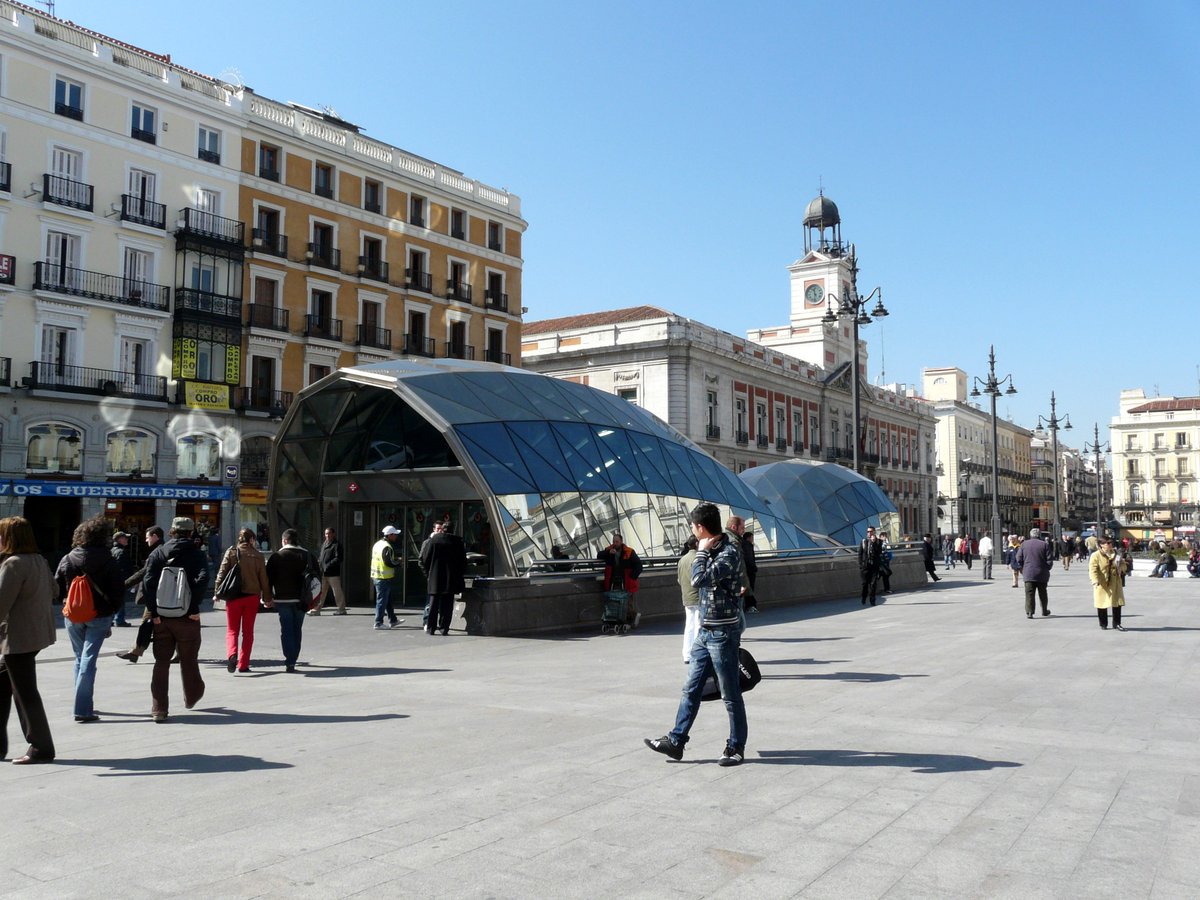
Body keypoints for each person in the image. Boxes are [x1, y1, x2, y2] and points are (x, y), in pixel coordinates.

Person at [645, 502, 746, 766]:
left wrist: (700, 553)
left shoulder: (729, 552)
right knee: (691, 687)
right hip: (705, 631)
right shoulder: (714, 549)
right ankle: (676, 741)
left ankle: (736, 747)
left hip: (723, 632)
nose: (692, 530)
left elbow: (699, 579)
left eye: (693, 526)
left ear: (701, 528)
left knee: (730, 693)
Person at [54, 515, 126, 723]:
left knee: (80, 657)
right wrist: (111, 610)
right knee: (89, 658)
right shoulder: (109, 559)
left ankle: (82, 703)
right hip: (100, 614)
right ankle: (82, 708)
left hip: (74, 615)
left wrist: (67, 601)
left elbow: (57, 585)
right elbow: (117, 590)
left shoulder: (68, 558)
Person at [0, 516, 58, 765]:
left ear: (8, 538)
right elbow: (55, 591)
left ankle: (41, 747)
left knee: (25, 693)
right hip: (35, 633)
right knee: (2, 686)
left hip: (18, 637)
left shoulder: (13, 564)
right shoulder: (38, 560)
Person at [142, 517, 209, 722]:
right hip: (187, 616)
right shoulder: (197, 554)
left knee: (161, 662)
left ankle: (159, 709)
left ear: (171, 531)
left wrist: (154, 613)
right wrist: (194, 607)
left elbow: (148, 583)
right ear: (191, 533)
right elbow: (203, 579)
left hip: (162, 616)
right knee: (188, 659)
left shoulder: (158, 553)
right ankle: (191, 696)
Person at [214, 527, 269, 673]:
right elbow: (263, 579)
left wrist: (217, 592)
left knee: (232, 630)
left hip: (234, 596)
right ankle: (243, 664)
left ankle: (232, 655)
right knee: (248, 632)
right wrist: (267, 598)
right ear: (252, 540)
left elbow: (221, 573)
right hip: (252, 597)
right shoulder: (258, 555)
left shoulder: (231, 552)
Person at [264, 529, 318, 672]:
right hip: (302, 600)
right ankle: (293, 657)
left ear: (285, 540)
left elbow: (267, 580)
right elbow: (317, 577)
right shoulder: (308, 556)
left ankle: (290, 660)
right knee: (297, 629)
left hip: (282, 600)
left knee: (286, 629)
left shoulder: (276, 557)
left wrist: (267, 598)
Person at [116, 526, 164, 663]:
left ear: (155, 536)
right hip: (159, 593)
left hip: (155, 594)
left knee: (147, 623)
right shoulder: (160, 550)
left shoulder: (158, 552)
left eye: (148, 536)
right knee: (150, 623)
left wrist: (124, 585)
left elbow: (143, 572)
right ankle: (135, 652)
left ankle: (135, 652)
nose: (146, 539)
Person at [419, 519, 467, 635]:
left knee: (433, 603)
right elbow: (463, 562)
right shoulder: (457, 542)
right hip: (450, 578)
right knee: (447, 604)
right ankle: (444, 627)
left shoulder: (433, 540)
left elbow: (425, 559)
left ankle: (431, 627)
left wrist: (428, 573)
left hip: (435, 577)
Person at [598, 532, 643, 628]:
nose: (615, 543)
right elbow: (599, 555)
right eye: (614, 541)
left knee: (628, 602)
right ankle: (621, 621)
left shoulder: (629, 551)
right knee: (616, 601)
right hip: (614, 581)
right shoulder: (609, 550)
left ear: (621, 542)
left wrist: (633, 576)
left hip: (627, 581)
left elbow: (638, 565)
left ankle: (631, 620)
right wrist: (608, 553)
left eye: (617, 541)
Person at [370, 525, 405, 630]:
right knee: (382, 600)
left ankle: (392, 620)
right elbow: (388, 562)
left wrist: (395, 559)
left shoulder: (378, 544)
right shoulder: (387, 546)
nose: (396, 537)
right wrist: (398, 563)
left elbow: (384, 558)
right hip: (383, 577)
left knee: (387, 600)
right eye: (395, 535)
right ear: (390, 535)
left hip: (377, 576)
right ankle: (378, 622)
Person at [1090, 537, 1128, 630]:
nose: (1110, 544)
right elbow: (1092, 569)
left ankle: (1117, 623)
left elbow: (1123, 565)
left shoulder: (1116, 554)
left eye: (1111, 542)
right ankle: (1103, 624)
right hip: (1103, 583)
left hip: (1115, 582)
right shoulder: (1095, 555)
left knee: (1117, 603)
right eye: (1107, 543)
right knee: (1102, 603)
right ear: (1101, 545)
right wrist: (1095, 581)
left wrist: (1121, 568)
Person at [1015, 527, 1054, 618]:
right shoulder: (1044, 545)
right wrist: (1047, 568)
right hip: (1042, 573)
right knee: (1043, 593)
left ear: (1030, 535)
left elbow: (1018, 558)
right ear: (1039, 535)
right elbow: (1049, 559)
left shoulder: (1024, 544)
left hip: (1028, 572)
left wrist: (1022, 567)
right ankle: (1044, 611)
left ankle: (1029, 612)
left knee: (1029, 593)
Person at [309, 527, 345, 616]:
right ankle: (316, 610)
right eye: (326, 534)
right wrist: (319, 563)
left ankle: (341, 609)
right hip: (323, 572)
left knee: (337, 592)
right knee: (321, 592)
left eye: (329, 533)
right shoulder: (324, 544)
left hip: (333, 573)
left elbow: (339, 558)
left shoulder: (337, 545)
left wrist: (328, 565)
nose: (327, 535)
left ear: (333, 534)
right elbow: (322, 557)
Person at [725, 516, 758, 613]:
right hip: (735, 584)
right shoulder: (734, 542)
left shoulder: (724, 538)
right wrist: (745, 585)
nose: (743, 531)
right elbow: (740, 565)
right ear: (734, 527)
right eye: (742, 528)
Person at [676, 535, 700, 663]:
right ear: (696, 543)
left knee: (689, 626)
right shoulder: (698, 558)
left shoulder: (682, 560)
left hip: (686, 596)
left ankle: (687, 654)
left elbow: (679, 579)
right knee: (699, 625)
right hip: (698, 596)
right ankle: (697, 653)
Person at [110, 531, 134, 626]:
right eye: (125, 538)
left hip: (112, 580)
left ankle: (111, 619)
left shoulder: (111, 550)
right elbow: (122, 569)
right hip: (119, 580)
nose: (127, 539)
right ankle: (119, 619)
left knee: (113, 600)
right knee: (120, 600)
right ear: (120, 539)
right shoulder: (121, 552)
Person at [858, 525, 883, 606]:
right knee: (865, 584)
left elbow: (879, 552)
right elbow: (860, 554)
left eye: (871, 531)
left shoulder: (879, 541)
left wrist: (874, 542)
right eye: (868, 531)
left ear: (874, 532)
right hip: (865, 566)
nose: (869, 533)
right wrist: (861, 565)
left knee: (873, 583)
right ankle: (864, 597)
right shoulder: (863, 541)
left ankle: (872, 599)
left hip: (874, 566)